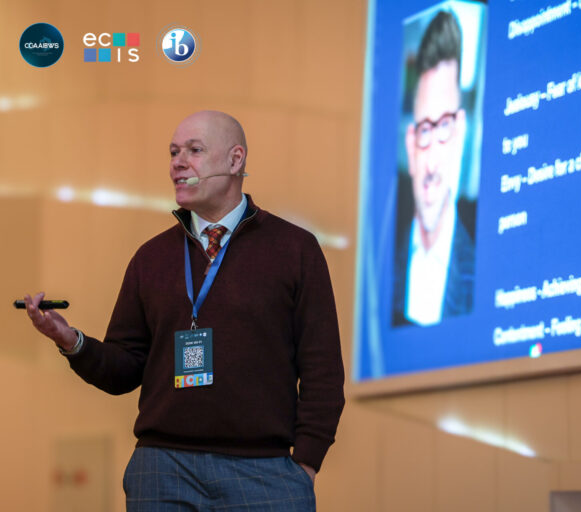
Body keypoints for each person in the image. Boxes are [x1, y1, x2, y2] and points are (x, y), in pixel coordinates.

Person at [23, 110, 345, 511]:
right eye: (173, 152)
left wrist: (306, 464)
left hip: (264, 472)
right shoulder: (151, 257)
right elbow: (124, 368)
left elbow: (322, 370)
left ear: (235, 160)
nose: (178, 162)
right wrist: (71, 341)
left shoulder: (294, 249)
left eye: (194, 150)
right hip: (162, 468)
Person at [392, 10, 476, 327]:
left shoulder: (478, 270)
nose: (431, 163)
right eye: (425, 130)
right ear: (410, 143)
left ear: (461, 133)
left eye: (443, 126)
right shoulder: (386, 263)